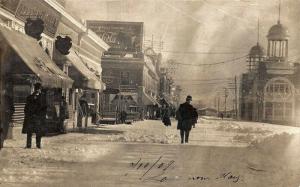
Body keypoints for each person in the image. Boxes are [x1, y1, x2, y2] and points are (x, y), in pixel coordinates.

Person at [22, 83, 47, 149]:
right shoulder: (30, 97)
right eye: (36, 89)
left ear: (39, 89)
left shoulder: (43, 98)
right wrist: (27, 114)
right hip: (31, 117)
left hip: (38, 117)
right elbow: (26, 107)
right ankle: (28, 145)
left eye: (38, 89)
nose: (37, 90)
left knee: (38, 132)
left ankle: (38, 145)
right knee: (29, 131)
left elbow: (44, 108)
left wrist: (42, 116)